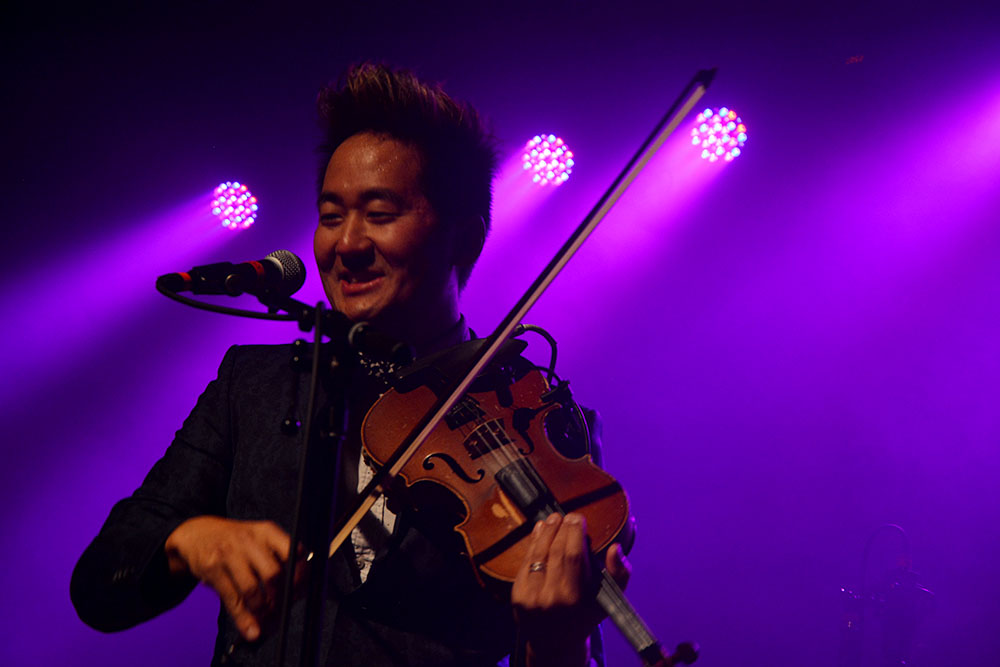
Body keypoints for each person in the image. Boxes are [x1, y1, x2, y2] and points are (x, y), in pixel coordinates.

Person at [71, 63, 630, 667]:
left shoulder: (539, 420)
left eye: (380, 214)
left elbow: (573, 653)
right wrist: (190, 541)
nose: (347, 244)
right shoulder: (257, 386)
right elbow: (101, 585)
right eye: (331, 215)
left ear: (463, 239)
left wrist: (556, 645)